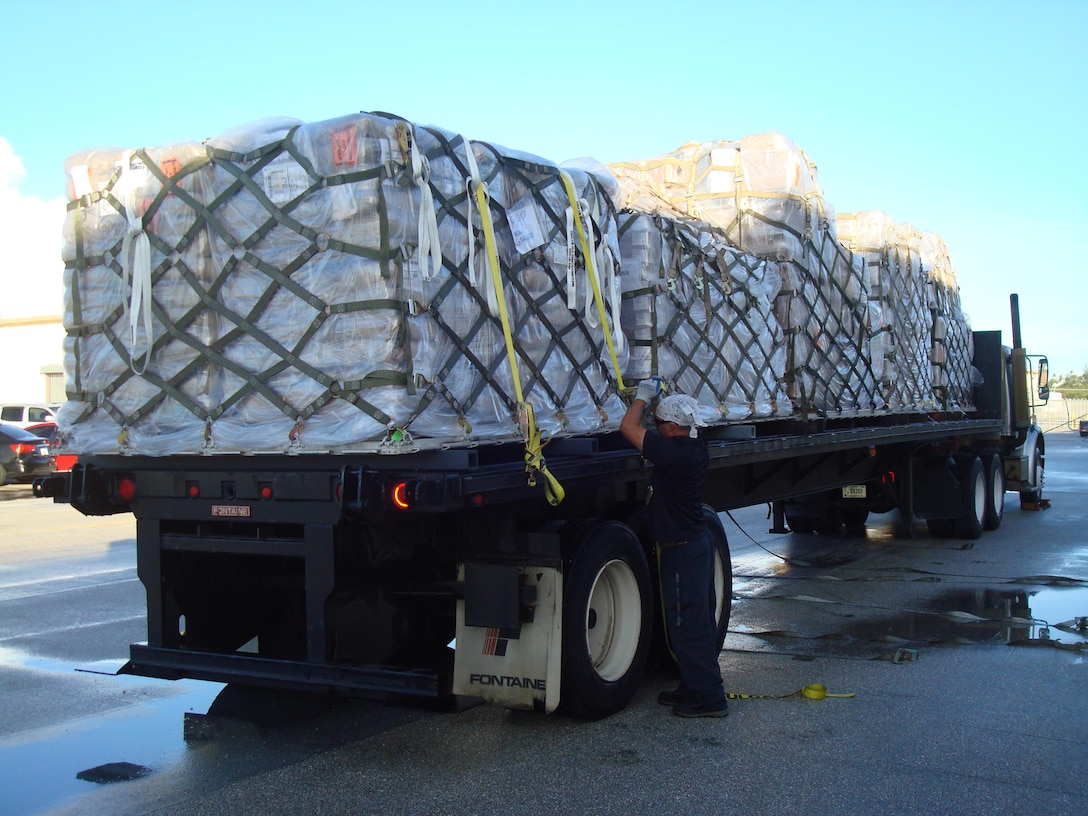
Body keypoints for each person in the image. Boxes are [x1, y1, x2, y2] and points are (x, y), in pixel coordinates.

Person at [619, 378, 729, 718]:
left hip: (683, 550)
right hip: (694, 545)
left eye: (659, 423)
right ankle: (693, 685)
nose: (655, 427)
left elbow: (627, 427)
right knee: (694, 620)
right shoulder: (693, 446)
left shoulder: (671, 453)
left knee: (688, 625)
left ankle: (711, 699)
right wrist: (663, 405)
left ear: (670, 429)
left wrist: (641, 398)